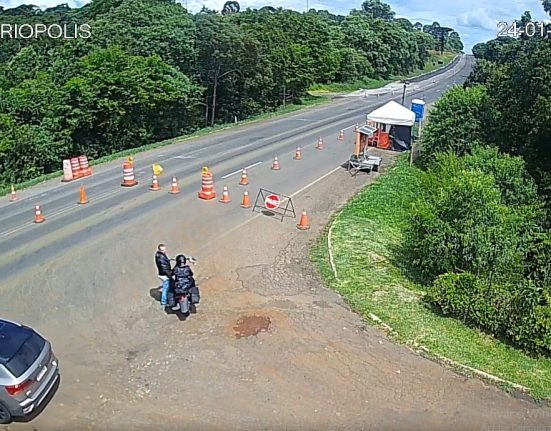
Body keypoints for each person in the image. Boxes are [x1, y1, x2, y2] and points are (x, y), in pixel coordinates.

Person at [155, 243, 173, 308]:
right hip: (164, 275)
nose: (164, 251)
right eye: (162, 250)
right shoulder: (161, 257)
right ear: (159, 250)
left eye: (165, 249)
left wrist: (168, 260)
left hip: (162, 273)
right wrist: (171, 275)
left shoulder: (159, 255)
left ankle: (168, 298)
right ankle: (164, 301)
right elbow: (164, 268)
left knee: (167, 287)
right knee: (166, 288)